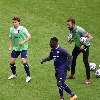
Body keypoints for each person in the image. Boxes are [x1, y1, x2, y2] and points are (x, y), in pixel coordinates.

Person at [67, 18, 93, 84]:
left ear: (73, 24)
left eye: (69, 25)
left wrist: (83, 45)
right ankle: (72, 75)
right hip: (77, 46)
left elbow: (90, 37)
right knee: (73, 58)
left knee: (85, 61)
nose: (68, 26)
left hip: (85, 47)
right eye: (67, 25)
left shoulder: (80, 30)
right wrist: (70, 40)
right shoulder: (71, 30)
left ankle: (88, 79)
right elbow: (74, 38)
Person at [8, 16, 31, 82]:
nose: (14, 23)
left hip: (23, 47)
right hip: (16, 48)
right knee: (11, 62)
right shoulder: (11, 29)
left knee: (23, 61)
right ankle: (14, 74)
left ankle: (28, 76)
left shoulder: (23, 29)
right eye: (13, 22)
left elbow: (29, 36)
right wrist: (10, 46)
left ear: (19, 22)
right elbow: (10, 38)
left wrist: (23, 42)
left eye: (15, 22)